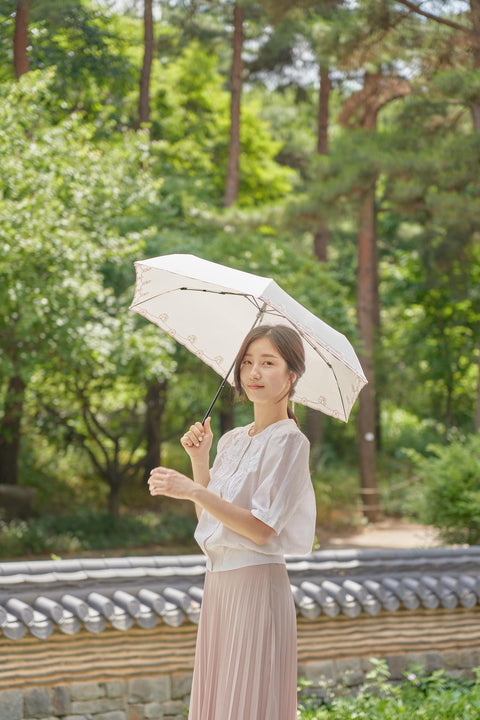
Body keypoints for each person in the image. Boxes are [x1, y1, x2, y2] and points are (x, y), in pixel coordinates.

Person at [148, 324, 317, 720]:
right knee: (220, 702)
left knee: (247, 703)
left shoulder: (290, 442)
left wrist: (192, 489)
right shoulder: (233, 439)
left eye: (268, 363)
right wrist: (199, 461)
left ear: (291, 376)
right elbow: (210, 520)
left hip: (257, 586)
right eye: (247, 363)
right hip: (219, 585)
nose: (254, 373)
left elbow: (261, 529)